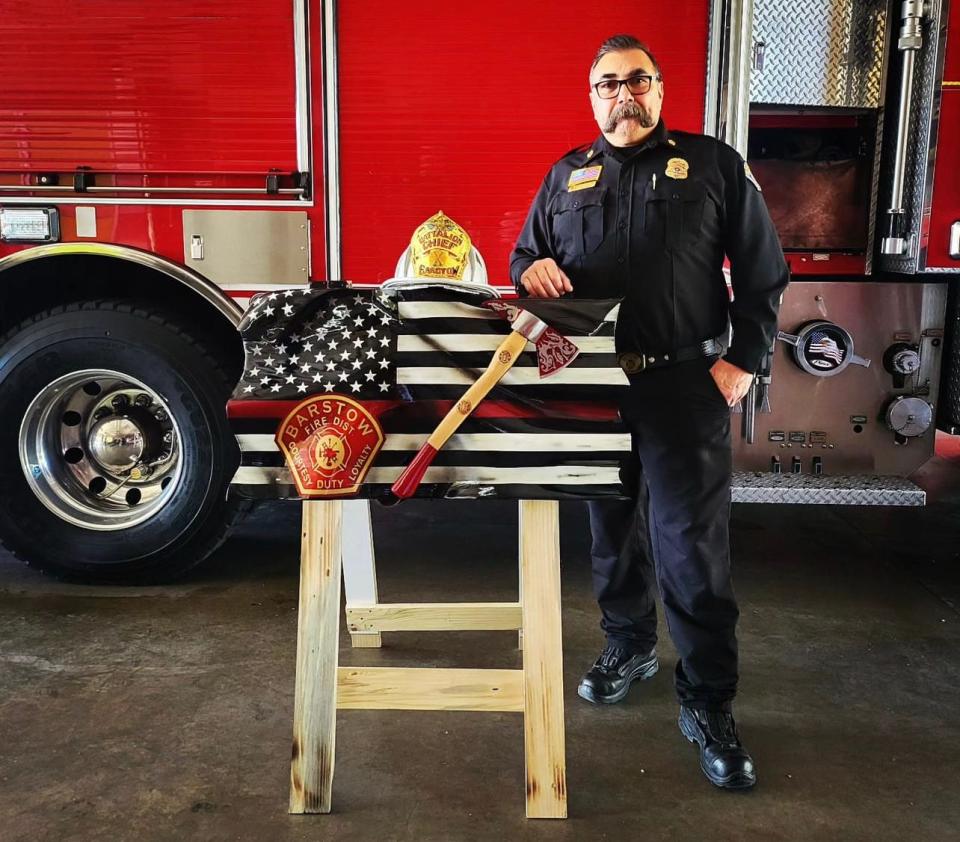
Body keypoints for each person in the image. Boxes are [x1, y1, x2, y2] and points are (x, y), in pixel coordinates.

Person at [509, 34, 788, 790]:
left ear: (660, 90)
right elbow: (525, 258)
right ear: (591, 95)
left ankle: (707, 700)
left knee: (691, 548)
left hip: (684, 386)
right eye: (607, 83)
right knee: (610, 532)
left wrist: (743, 362)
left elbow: (765, 273)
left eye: (637, 80)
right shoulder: (567, 175)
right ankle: (628, 644)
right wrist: (527, 266)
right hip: (593, 390)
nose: (622, 93)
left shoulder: (712, 166)